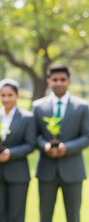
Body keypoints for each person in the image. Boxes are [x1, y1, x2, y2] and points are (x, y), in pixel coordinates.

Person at [32, 64, 89, 222]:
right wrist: (45, 146)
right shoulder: (38, 107)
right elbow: (33, 137)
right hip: (46, 170)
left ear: (69, 81)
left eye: (62, 79)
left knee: (73, 217)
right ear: (49, 81)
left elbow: (86, 136)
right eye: (55, 80)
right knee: (44, 216)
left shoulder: (82, 107)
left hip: (73, 171)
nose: (59, 83)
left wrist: (67, 148)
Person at [0, 79, 35, 222]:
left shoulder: (27, 118)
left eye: (10, 95)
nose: (6, 99)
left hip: (18, 173)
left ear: (17, 96)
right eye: (3, 95)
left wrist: (10, 153)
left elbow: (30, 144)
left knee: (17, 216)